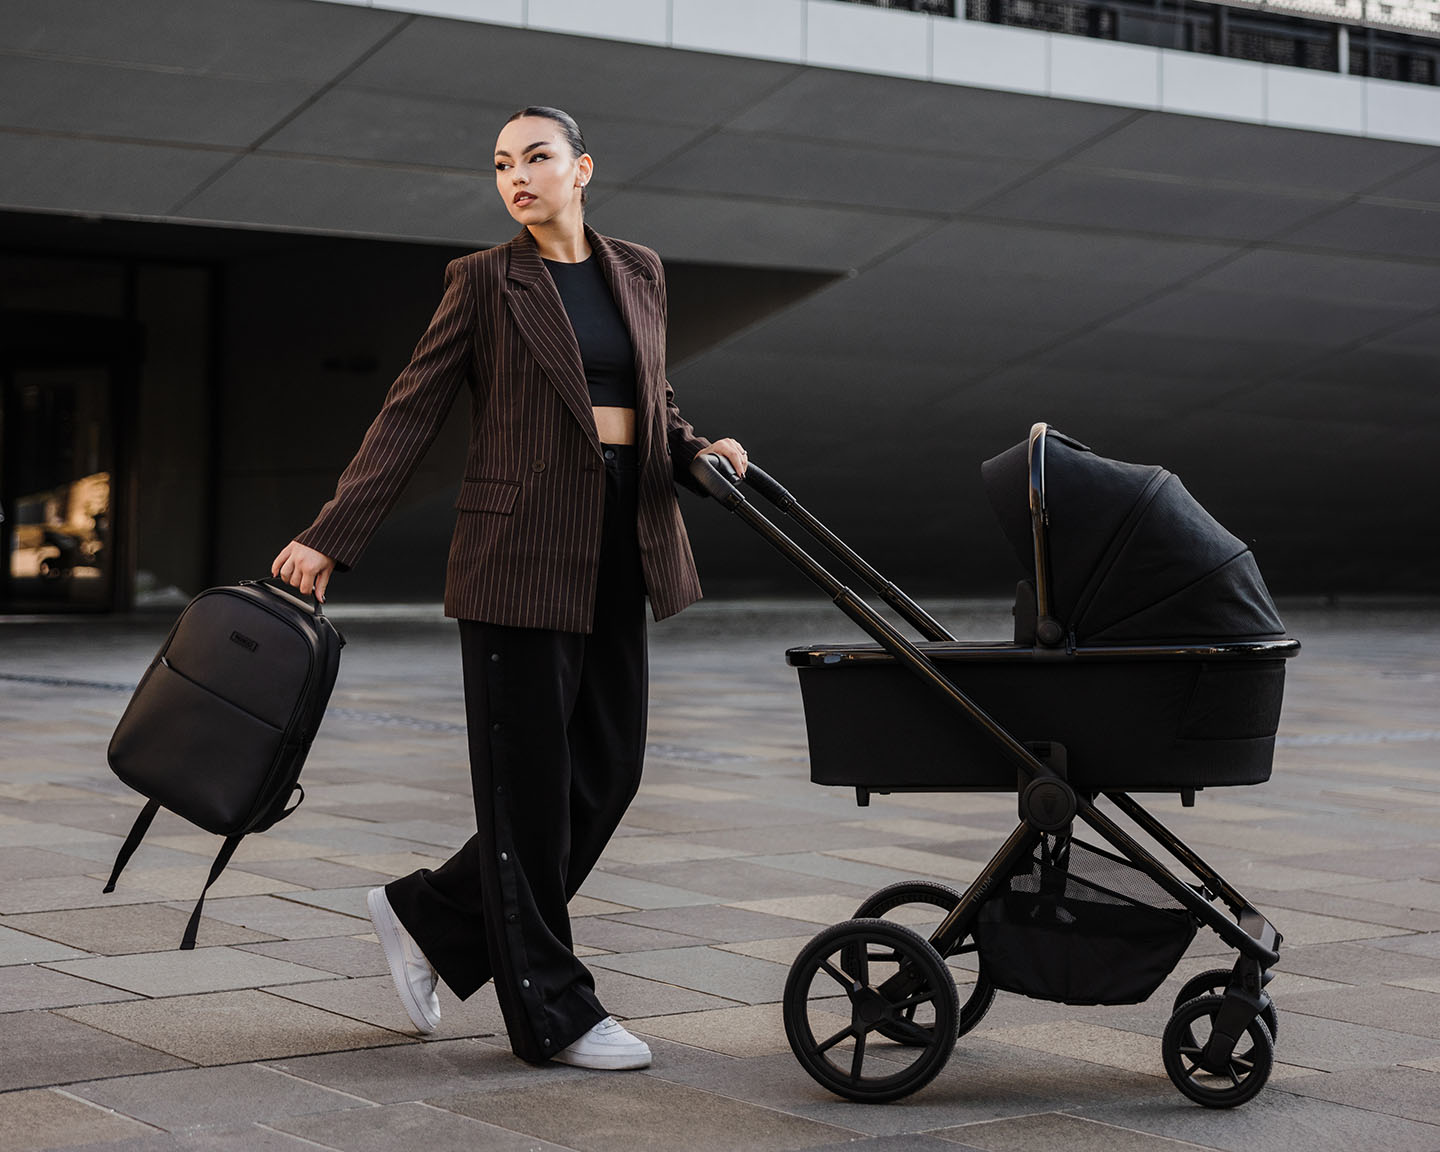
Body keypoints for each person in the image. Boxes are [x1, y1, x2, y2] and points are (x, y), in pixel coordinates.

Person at [271, 106, 746, 1072]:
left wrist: (701, 455)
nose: (517, 176)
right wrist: (334, 535)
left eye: (537, 157)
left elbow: (650, 400)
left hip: (626, 540)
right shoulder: (484, 283)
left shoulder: (639, 270)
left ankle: (430, 914)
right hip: (516, 557)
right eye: (501, 163)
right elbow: (410, 415)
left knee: (607, 771)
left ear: (583, 170)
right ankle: (554, 1014)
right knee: (527, 792)